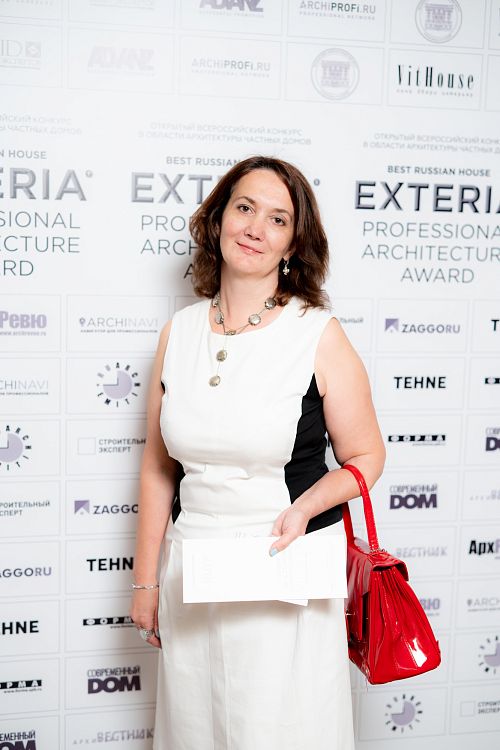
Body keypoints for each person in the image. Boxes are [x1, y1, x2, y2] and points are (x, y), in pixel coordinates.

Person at [130, 155, 385, 749]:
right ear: (219, 219)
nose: (255, 228)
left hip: (284, 569)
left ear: (293, 243)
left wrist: (306, 508)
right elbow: (158, 469)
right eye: (244, 208)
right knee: (196, 731)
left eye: (277, 219)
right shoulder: (178, 333)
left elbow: (366, 458)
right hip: (193, 572)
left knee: (277, 732)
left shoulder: (317, 333)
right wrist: (146, 583)